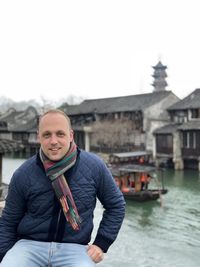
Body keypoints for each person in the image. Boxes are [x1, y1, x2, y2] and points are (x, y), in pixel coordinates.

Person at [0, 109, 125, 267]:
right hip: (29, 245)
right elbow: (9, 221)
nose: (53, 141)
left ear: (71, 135)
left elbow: (116, 205)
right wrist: (5, 256)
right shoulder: (24, 173)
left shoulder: (94, 166)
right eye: (47, 135)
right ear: (39, 137)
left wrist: (101, 243)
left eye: (60, 134)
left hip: (75, 248)